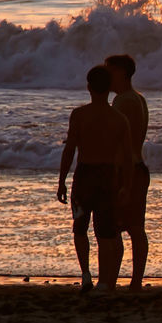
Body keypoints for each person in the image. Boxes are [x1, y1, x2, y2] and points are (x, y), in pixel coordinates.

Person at [58, 65, 133, 296]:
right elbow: (128, 159)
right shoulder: (119, 119)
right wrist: (126, 186)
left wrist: (61, 180)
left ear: (88, 87)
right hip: (108, 177)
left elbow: (69, 150)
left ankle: (85, 275)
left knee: (80, 228)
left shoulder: (79, 115)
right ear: (110, 88)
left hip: (84, 175)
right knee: (105, 233)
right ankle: (102, 282)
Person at [106, 54, 150, 291]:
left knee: (123, 228)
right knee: (134, 226)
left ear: (121, 73)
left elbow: (117, 140)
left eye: (109, 71)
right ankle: (134, 280)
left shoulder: (123, 101)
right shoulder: (138, 98)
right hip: (138, 166)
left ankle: (123, 280)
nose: (106, 76)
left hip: (127, 169)